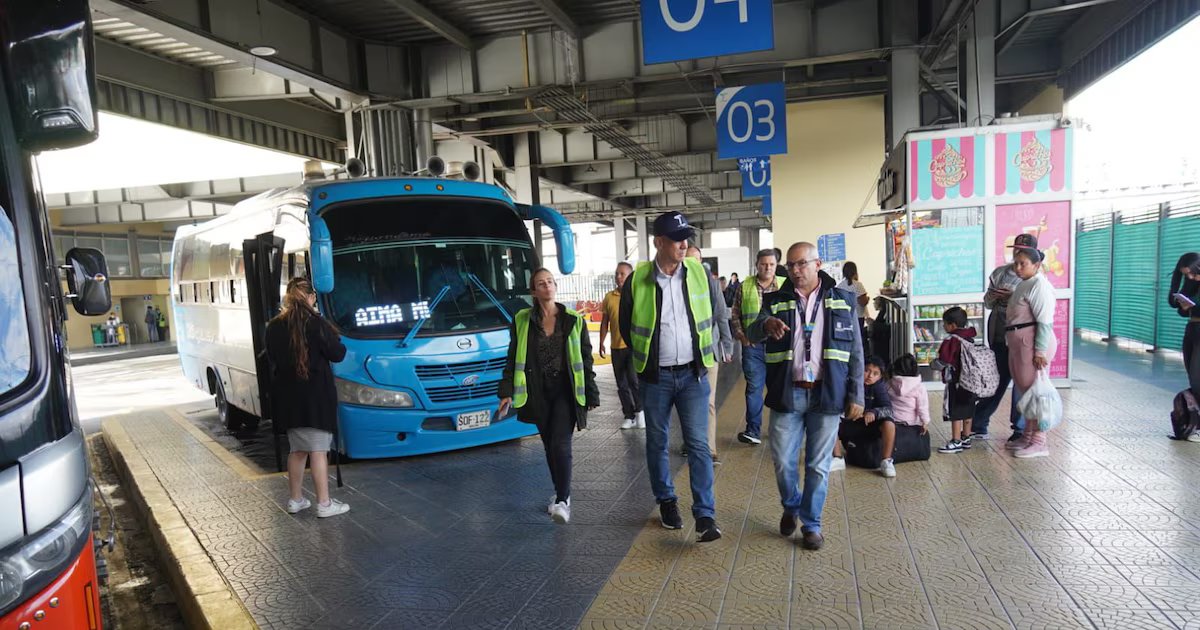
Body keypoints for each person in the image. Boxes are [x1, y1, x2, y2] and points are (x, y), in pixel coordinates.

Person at [745, 242, 864, 550]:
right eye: (791, 265)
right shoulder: (776, 299)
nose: (795, 271)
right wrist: (765, 324)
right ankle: (791, 505)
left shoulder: (843, 300)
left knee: (818, 465)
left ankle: (811, 524)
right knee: (783, 461)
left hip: (827, 393)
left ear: (817, 264)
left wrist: (857, 394)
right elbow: (752, 332)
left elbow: (856, 351)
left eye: (802, 264)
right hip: (788, 392)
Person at [618, 210, 724, 542]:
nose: (683, 244)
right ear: (658, 243)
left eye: (686, 239)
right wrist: (648, 358)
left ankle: (705, 515)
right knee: (658, 442)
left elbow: (714, 311)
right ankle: (666, 501)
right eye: (677, 239)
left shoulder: (698, 272)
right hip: (656, 378)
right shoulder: (638, 280)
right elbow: (626, 325)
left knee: (699, 445)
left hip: (693, 374)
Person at [498, 269, 599, 524]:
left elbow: (585, 359)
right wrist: (506, 391)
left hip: (565, 390)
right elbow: (513, 357)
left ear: (555, 286)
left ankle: (563, 501)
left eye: (550, 282)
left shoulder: (573, 320)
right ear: (534, 291)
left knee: (561, 443)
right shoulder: (522, 320)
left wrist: (591, 393)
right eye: (541, 283)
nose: (547, 286)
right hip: (537, 391)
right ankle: (560, 491)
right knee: (548, 444)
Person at [266, 278, 349, 518]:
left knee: (298, 450)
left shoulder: (274, 326)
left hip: (289, 398)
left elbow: (272, 357)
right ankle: (324, 504)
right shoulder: (316, 323)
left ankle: (296, 500)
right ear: (311, 297)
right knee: (318, 451)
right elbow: (338, 353)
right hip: (316, 397)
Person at [1005, 239, 1059, 458]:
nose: (1018, 268)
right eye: (1016, 263)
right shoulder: (1025, 283)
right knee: (1026, 391)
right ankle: (1027, 436)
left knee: (1036, 393)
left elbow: (1044, 321)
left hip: (1032, 344)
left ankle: (1039, 441)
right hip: (1019, 343)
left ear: (1037, 265)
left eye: (1023, 264)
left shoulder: (1039, 285)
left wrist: (1039, 352)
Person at [684, 245, 734, 462]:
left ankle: (710, 449)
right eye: (688, 260)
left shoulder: (711, 284)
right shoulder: (678, 285)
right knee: (687, 402)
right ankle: (691, 441)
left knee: (708, 401)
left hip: (709, 353)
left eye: (696, 260)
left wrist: (727, 346)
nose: (692, 264)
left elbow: (722, 315)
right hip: (685, 355)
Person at [972, 243, 1025, 442]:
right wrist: (994, 296)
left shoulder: (1035, 281)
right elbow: (987, 302)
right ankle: (978, 423)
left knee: (1021, 383)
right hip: (999, 334)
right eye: (1016, 251)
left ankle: (1019, 428)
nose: (1018, 261)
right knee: (997, 380)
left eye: (1023, 255)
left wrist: (1013, 297)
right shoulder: (999, 273)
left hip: (1021, 339)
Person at [730, 248, 782, 446]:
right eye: (763, 264)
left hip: (779, 347)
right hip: (753, 347)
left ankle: (778, 430)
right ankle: (753, 430)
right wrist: (742, 337)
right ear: (756, 265)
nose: (767, 267)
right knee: (754, 388)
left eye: (771, 264)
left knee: (778, 388)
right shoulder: (745, 286)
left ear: (776, 265)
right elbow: (735, 314)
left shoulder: (785, 285)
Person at [599, 262, 644, 430]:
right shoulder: (609, 297)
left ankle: (640, 412)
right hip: (616, 347)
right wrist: (601, 342)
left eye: (622, 274)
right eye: (617, 274)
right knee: (621, 384)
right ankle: (629, 415)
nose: (618, 277)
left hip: (632, 346)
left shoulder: (636, 295)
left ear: (630, 276)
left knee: (634, 381)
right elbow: (605, 322)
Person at [834, 356, 895, 476]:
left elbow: (889, 409)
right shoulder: (849, 383)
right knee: (830, 421)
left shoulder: (879, 387)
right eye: (866, 370)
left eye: (875, 373)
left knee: (889, 423)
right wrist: (849, 412)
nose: (870, 376)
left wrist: (874, 413)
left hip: (870, 424)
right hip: (851, 422)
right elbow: (837, 405)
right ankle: (837, 458)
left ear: (880, 376)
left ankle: (886, 461)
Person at [933, 307, 979, 454]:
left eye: (944, 324)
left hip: (957, 381)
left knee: (956, 411)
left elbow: (944, 360)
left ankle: (956, 441)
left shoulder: (951, 340)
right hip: (971, 381)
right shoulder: (970, 337)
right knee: (968, 409)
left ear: (952, 325)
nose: (943, 326)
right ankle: (966, 437)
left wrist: (934, 365)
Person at [886, 353, 931, 462]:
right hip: (911, 423)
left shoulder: (890, 383)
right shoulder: (919, 387)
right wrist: (925, 422)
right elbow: (922, 407)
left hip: (893, 422)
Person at [1168, 253, 1200, 396]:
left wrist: (1194, 306)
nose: (1190, 277)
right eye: (1186, 275)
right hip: (1192, 329)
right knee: (1192, 375)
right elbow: (1182, 312)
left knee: (1197, 377)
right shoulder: (1192, 282)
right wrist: (1185, 307)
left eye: (1192, 273)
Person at [837, 262, 870, 340]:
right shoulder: (857, 285)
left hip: (845, 318)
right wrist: (868, 298)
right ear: (855, 271)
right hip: (857, 318)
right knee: (858, 339)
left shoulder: (840, 286)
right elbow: (863, 302)